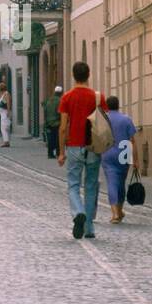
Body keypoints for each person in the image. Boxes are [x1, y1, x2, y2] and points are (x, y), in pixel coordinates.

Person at [58, 61, 106, 239]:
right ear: (89, 74)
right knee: (92, 185)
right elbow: (104, 124)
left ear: (73, 75)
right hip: (93, 147)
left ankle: (78, 212)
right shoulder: (97, 97)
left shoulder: (67, 97)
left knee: (73, 184)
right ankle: (89, 228)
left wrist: (61, 151)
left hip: (74, 146)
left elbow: (63, 127)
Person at [101, 95, 137, 224]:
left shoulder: (104, 119)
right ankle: (120, 210)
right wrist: (136, 160)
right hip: (124, 152)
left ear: (107, 106)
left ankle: (115, 213)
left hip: (108, 153)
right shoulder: (126, 119)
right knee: (121, 183)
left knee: (112, 182)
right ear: (118, 105)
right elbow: (132, 140)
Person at [43, 86, 62, 158]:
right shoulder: (60, 100)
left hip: (48, 122)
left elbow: (45, 110)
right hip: (57, 122)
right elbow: (60, 112)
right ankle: (58, 153)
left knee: (50, 139)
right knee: (58, 139)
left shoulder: (49, 100)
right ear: (61, 93)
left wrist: (46, 121)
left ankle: (50, 154)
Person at [0, 81, 12, 147]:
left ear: (1, 88)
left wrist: (8, 112)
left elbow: (8, 103)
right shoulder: (2, 93)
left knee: (4, 127)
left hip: (5, 112)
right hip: (2, 112)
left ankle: (6, 142)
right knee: (5, 127)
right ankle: (7, 141)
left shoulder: (6, 94)